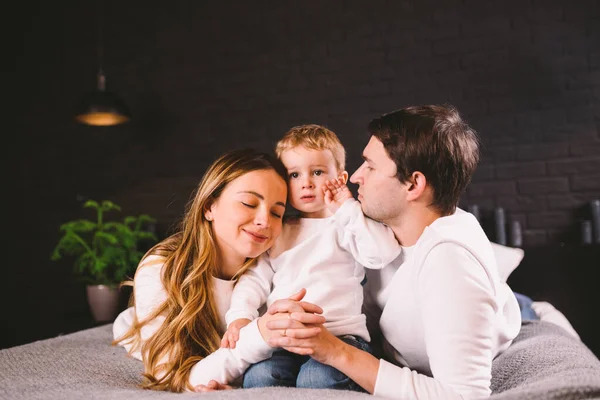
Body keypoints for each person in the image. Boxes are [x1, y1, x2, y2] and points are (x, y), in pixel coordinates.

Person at [263, 105, 523, 399]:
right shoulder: (395, 232)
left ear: (414, 184)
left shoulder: (450, 265)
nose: (356, 176)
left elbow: (464, 396)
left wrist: (336, 350)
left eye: (371, 166)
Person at [214, 125, 401, 391]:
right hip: (285, 339)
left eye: (317, 172)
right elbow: (254, 279)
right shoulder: (278, 231)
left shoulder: (347, 223)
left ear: (341, 177)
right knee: (260, 376)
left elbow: (381, 254)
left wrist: (346, 207)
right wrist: (240, 317)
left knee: (316, 379)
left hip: (341, 337)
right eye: (294, 174)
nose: (306, 183)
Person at [112, 149, 292, 392]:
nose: (264, 221)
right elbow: (168, 376)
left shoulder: (274, 269)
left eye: (276, 212)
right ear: (209, 206)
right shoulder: (162, 269)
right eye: (249, 203)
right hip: (144, 327)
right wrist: (259, 335)